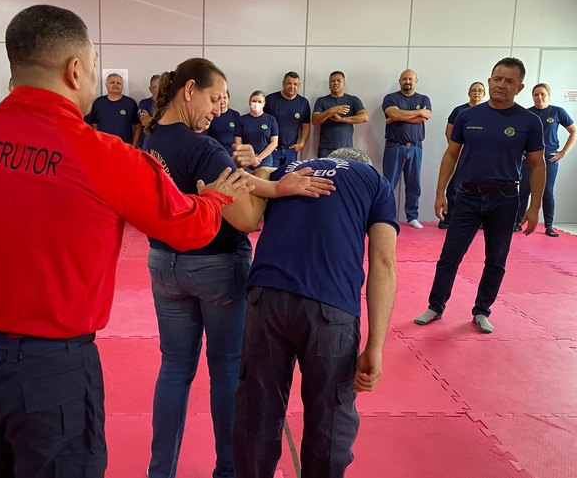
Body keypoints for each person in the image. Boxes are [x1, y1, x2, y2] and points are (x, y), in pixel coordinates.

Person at [0, 5, 253, 478]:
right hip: (53, 373)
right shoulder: (104, 156)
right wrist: (213, 199)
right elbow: (187, 226)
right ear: (75, 70)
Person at [143, 59, 334, 478]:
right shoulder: (202, 149)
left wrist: (249, 173)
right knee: (227, 367)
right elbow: (246, 217)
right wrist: (269, 177)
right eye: (214, 98)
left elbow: (227, 183)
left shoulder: (152, 139)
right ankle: (227, 471)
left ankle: (160, 472)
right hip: (214, 267)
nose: (218, 108)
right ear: (189, 89)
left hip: (163, 264)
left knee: (174, 369)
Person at [233, 148, 398, 478]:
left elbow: (248, 212)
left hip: (266, 296)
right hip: (330, 306)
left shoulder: (288, 170)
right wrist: (375, 346)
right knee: (330, 421)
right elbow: (384, 261)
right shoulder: (375, 180)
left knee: (257, 412)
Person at [414, 57, 545, 335]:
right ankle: (435, 306)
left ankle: (482, 311)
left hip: (506, 198)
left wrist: (534, 208)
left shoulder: (529, 121)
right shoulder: (468, 116)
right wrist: (440, 193)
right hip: (468, 196)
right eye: (497, 79)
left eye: (509, 81)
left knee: (496, 260)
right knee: (450, 255)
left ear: (519, 88)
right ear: (489, 81)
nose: (501, 85)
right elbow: (451, 154)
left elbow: (537, 164)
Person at [515, 83, 577, 237]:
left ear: (548, 95)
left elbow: (575, 132)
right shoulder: (527, 113)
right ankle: (517, 223)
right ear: (532, 96)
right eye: (536, 94)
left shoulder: (558, 112)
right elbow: (518, 136)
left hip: (549, 158)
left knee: (547, 193)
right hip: (528, 157)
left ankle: (549, 226)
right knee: (524, 191)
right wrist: (519, 152)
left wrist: (563, 153)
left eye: (542, 94)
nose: (539, 97)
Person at [382, 69, 432, 228]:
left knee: (414, 183)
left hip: (416, 147)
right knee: (389, 183)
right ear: (400, 81)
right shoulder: (391, 98)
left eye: (410, 79)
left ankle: (412, 216)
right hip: (394, 146)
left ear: (416, 81)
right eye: (404, 79)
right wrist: (418, 114)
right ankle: (385, 215)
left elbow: (426, 117)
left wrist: (399, 116)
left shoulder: (424, 98)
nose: (407, 81)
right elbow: (394, 114)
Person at [439, 82, 486, 229]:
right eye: (473, 90)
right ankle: (448, 218)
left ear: (484, 94)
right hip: (461, 154)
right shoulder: (459, 110)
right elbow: (449, 132)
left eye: (479, 90)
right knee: (454, 186)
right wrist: (456, 150)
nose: (476, 93)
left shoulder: (488, 112)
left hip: (481, 156)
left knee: (482, 187)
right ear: (469, 93)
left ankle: (480, 220)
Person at [312, 71, 369, 158]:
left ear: (344, 83)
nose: (335, 83)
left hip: (346, 148)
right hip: (326, 148)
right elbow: (315, 120)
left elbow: (365, 117)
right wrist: (330, 111)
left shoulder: (353, 100)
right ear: (329, 84)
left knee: (345, 171)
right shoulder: (321, 101)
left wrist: (341, 119)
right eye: (332, 81)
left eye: (339, 81)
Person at [264, 72, 311, 166]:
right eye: (289, 83)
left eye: (295, 84)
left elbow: (305, 126)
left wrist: (301, 144)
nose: (292, 86)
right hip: (272, 149)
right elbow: (262, 123)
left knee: (289, 177)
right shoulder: (270, 100)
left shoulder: (303, 103)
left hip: (291, 150)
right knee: (272, 177)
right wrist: (267, 144)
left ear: (299, 85)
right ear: (283, 83)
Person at [89, 73, 142, 147]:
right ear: (106, 85)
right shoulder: (98, 102)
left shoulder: (130, 103)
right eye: (112, 82)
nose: (115, 85)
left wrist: (134, 145)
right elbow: (94, 125)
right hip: (103, 147)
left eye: (118, 83)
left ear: (122, 87)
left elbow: (138, 126)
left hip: (124, 148)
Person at [235, 91, 278, 170]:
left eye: (259, 102)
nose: (256, 104)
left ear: (264, 103)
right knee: (246, 181)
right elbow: (238, 142)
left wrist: (259, 158)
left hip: (265, 159)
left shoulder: (271, 119)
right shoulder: (241, 120)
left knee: (264, 181)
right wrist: (251, 157)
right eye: (254, 101)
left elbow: (274, 143)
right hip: (246, 159)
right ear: (249, 102)